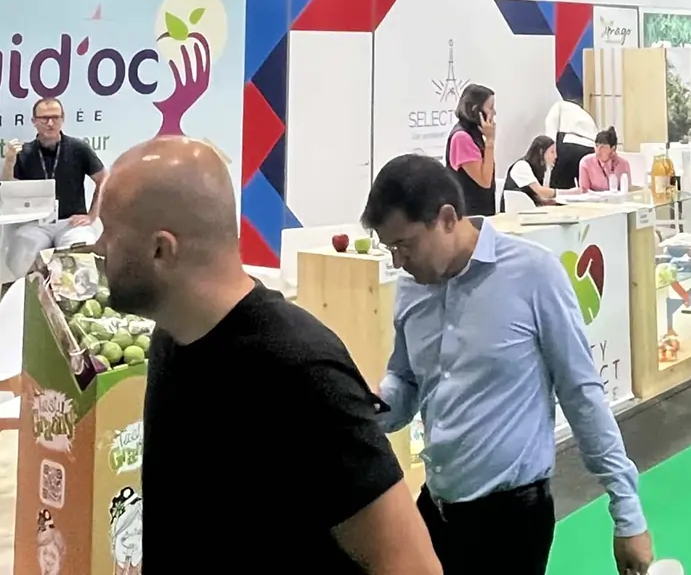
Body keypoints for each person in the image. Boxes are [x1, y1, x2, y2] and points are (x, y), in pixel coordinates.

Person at [96, 137, 442, 574]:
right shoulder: (172, 336)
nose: (97, 246)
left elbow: (411, 564)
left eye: (109, 231)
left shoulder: (300, 371)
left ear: (161, 249)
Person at [361, 154, 653, 575]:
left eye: (405, 245)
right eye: (390, 248)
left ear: (447, 218)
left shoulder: (534, 274)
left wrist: (628, 513)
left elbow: (582, 395)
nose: (398, 262)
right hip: (436, 506)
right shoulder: (411, 289)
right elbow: (405, 382)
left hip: (511, 522)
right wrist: (368, 405)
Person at [2, 98, 106, 279]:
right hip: (36, 223)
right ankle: (34, 292)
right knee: (21, 255)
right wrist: (10, 161)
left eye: (55, 118)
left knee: (82, 259)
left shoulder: (78, 148)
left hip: (70, 222)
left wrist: (92, 215)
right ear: (34, 121)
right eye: (44, 118)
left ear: (62, 119)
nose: (50, 123)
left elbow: (104, 179)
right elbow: (8, 188)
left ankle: (69, 295)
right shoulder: (24, 152)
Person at [445, 84, 496, 216]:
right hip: (470, 214)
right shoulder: (462, 137)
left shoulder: (474, 134)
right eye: (490, 108)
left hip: (481, 210)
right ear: (475, 110)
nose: (494, 113)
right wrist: (490, 141)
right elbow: (485, 181)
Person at [501, 135, 580, 209]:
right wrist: (569, 192)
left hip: (528, 207)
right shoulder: (522, 166)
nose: (555, 156)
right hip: (515, 209)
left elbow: (537, 195)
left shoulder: (539, 169)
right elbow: (541, 191)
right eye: (552, 152)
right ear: (541, 152)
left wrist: (548, 202)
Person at [544, 97, 598, 189]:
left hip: (568, 145)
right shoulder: (586, 115)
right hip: (590, 148)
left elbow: (551, 128)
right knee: (585, 189)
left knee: (560, 191)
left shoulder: (559, 105)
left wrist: (552, 151)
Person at [578, 127, 632, 192]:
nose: (598, 150)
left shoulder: (623, 164)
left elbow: (627, 190)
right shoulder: (586, 162)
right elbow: (584, 191)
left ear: (613, 148)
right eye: (596, 146)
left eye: (602, 147)